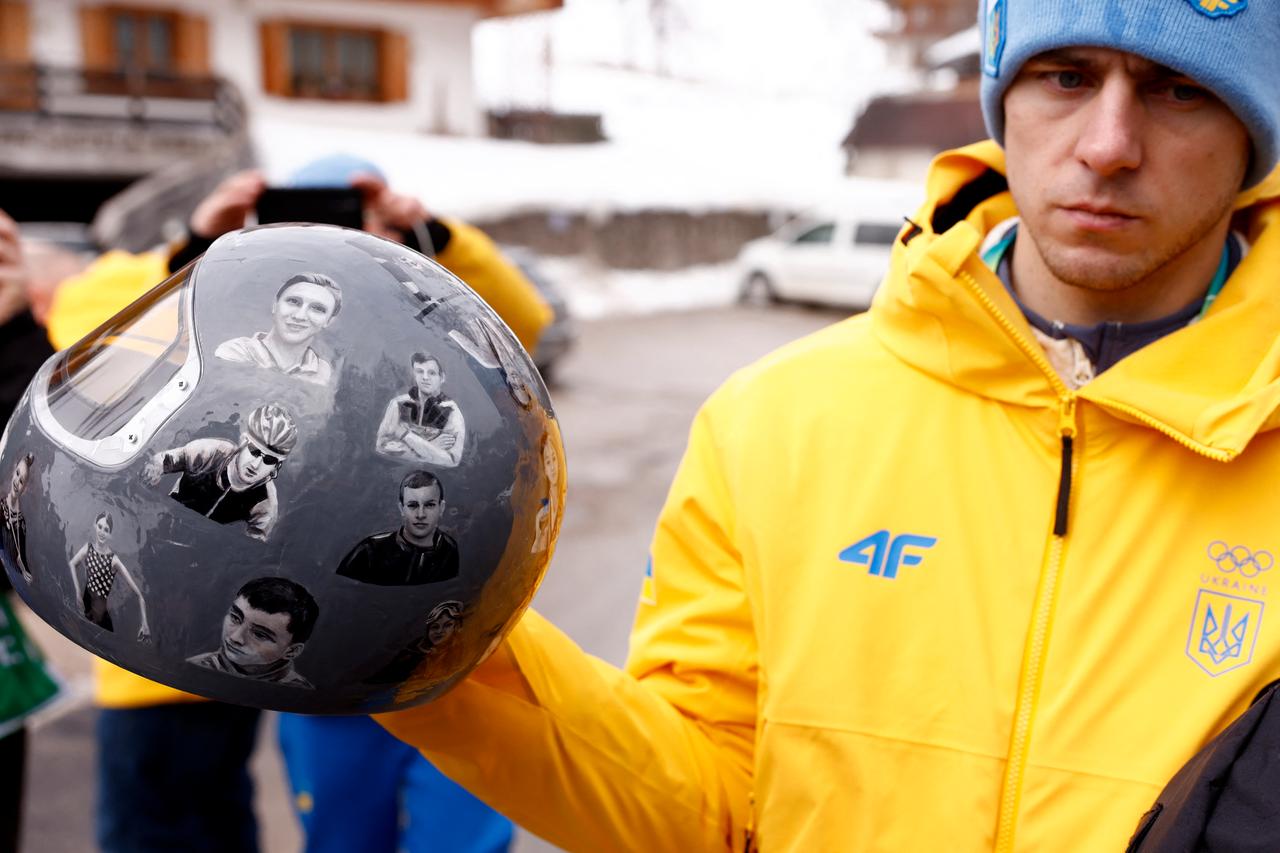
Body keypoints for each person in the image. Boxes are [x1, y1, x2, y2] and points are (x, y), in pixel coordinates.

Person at [373, 3, 1280, 851]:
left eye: (1180, 88)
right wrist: (407, 627)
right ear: (1005, 95)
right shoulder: (776, 420)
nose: (1110, 144)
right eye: (1068, 77)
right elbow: (705, 797)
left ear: (1254, 134)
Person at [51, 154, 549, 853]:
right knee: (334, 830)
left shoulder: (422, 323)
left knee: (460, 834)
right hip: (285, 636)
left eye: (358, 215)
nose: (339, 240)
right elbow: (91, 324)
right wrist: (200, 244)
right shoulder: (234, 301)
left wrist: (429, 235)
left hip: (444, 639)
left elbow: (525, 323)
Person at [142, 402, 298, 542]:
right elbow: (165, 459)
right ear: (244, 442)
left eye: (269, 460)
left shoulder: (265, 504)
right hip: (164, 525)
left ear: (277, 467)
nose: (256, 464)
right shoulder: (211, 452)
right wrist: (154, 469)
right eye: (254, 451)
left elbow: (251, 548)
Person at [187, 577, 318, 688]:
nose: (235, 637)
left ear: (292, 651)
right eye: (235, 618)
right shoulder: (193, 669)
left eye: (260, 634)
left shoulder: (299, 693)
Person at [215, 272, 342, 385]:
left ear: (329, 321)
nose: (299, 316)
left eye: (318, 309)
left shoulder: (322, 370)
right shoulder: (236, 351)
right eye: (293, 301)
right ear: (275, 306)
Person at [337, 470, 460, 586]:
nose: (421, 514)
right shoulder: (369, 551)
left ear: (441, 508)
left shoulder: (449, 550)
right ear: (401, 509)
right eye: (412, 505)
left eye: (429, 505)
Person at [68, 511, 151, 641]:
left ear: (110, 535)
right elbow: (72, 564)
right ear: (95, 526)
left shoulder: (114, 560)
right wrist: (77, 591)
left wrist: (144, 623)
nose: (101, 532)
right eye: (100, 527)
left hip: (101, 620)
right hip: (84, 608)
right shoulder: (87, 548)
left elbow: (139, 595)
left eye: (106, 530)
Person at [375, 353, 466, 466]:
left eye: (431, 373)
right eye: (420, 371)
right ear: (414, 374)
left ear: (442, 377)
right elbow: (381, 446)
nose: (425, 377)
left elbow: (452, 460)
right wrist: (431, 445)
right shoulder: (397, 404)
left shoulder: (452, 412)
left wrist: (405, 435)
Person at [1, 453, 33, 583]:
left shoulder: (21, 522)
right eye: (17, 474)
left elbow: (22, 555)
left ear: (24, 489)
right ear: (13, 472)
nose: (16, 482)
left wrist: (24, 571)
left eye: (21, 481)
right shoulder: (1, 509)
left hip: (14, 572)